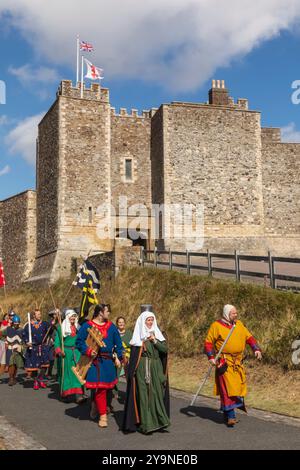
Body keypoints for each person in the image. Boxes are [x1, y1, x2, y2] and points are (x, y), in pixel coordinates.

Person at [204, 304, 262, 427]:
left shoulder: (239, 324)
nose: (236, 315)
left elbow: (249, 337)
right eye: (233, 314)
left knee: (236, 388)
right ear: (226, 314)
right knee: (227, 390)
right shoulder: (216, 326)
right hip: (224, 362)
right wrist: (211, 357)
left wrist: (256, 349)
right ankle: (231, 416)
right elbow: (208, 343)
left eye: (236, 313)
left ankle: (226, 412)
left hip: (237, 363)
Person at [123, 305, 170, 434]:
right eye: (147, 320)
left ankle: (160, 421)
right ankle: (146, 424)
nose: (150, 322)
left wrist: (154, 340)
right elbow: (134, 356)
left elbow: (164, 350)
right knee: (144, 396)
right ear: (143, 322)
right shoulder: (138, 338)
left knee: (157, 394)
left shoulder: (158, 335)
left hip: (156, 367)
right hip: (142, 369)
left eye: (151, 320)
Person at [76, 304, 124, 428]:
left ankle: (95, 405)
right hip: (94, 362)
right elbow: (79, 342)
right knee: (100, 388)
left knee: (107, 389)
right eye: (107, 311)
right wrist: (87, 351)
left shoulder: (111, 327)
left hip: (108, 363)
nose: (109, 313)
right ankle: (103, 415)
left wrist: (119, 357)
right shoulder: (87, 326)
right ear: (101, 313)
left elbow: (119, 344)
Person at [54, 309, 85, 403]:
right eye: (71, 316)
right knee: (66, 374)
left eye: (74, 316)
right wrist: (60, 351)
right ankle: (66, 394)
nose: (73, 318)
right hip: (66, 354)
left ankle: (79, 396)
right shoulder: (61, 328)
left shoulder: (78, 328)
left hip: (76, 353)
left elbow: (82, 340)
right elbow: (57, 342)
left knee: (78, 374)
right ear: (67, 317)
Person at [107, 315, 132, 412]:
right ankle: (114, 391)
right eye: (119, 322)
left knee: (128, 376)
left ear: (125, 323)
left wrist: (128, 355)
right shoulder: (114, 333)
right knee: (115, 375)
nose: (121, 324)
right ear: (117, 324)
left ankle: (129, 394)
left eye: (122, 322)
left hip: (127, 357)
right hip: (117, 357)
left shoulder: (129, 333)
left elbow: (132, 345)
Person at [22, 309, 50, 390]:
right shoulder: (28, 325)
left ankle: (40, 379)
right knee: (34, 366)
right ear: (34, 316)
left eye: (40, 314)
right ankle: (36, 382)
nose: (39, 315)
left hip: (42, 347)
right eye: (38, 314)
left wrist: (53, 323)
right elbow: (24, 335)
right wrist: (27, 342)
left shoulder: (44, 324)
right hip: (33, 348)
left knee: (44, 365)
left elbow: (50, 330)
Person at [0, 314, 24, 386]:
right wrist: (5, 341)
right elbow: (1, 334)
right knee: (11, 364)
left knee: (16, 365)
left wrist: (22, 345)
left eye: (18, 324)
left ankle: (13, 377)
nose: (16, 325)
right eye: (15, 324)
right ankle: (10, 379)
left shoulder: (21, 330)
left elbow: (24, 339)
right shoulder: (8, 329)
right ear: (13, 323)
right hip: (10, 349)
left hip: (18, 349)